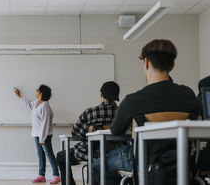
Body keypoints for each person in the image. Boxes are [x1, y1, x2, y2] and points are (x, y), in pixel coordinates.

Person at [91, 39, 200, 185]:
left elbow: (116, 130)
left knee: (97, 166)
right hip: (182, 160)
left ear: (146, 62)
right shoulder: (189, 95)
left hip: (142, 161)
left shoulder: (133, 100)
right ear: (172, 65)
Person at [56, 81, 120, 185]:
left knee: (61, 156)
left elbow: (75, 132)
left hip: (91, 153)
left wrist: (87, 134)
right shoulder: (121, 112)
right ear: (116, 97)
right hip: (116, 154)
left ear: (101, 94)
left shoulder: (90, 112)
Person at [15, 85, 61, 184]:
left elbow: (45, 124)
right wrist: (19, 96)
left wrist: (42, 139)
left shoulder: (45, 106)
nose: (35, 91)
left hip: (44, 135)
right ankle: (41, 175)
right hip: (36, 134)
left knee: (49, 154)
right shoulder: (36, 102)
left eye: (37, 90)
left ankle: (56, 175)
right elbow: (28, 104)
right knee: (40, 155)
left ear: (41, 93)